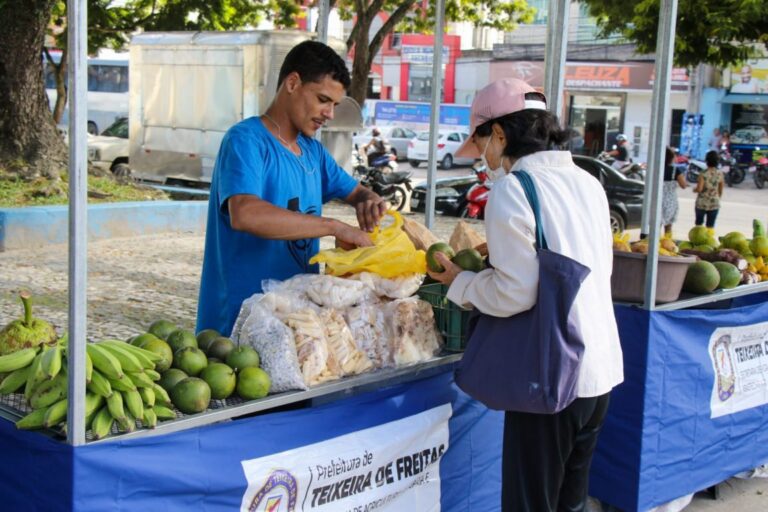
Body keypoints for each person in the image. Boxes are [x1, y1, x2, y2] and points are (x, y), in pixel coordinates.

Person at [427, 78, 623, 512]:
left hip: (551, 375)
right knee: (569, 501)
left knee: (530, 503)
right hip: (598, 370)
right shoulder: (587, 181)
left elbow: (515, 293)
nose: (482, 158)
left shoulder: (513, 189)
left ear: (499, 134)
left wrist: (460, 281)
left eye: (481, 144)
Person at [196, 41, 387, 337]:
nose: (329, 114)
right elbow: (245, 213)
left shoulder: (313, 152)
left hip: (296, 324)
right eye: (323, 99)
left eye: (335, 105)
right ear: (293, 83)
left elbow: (356, 191)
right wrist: (334, 227)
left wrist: (369, 200)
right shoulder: (245, 140)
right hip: (240, 323)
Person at [694, 150, 725, 232]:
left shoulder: (703, 173)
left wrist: (694, 190)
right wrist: (718, 197)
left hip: (702, 203)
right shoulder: (720, 173)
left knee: (699, 225)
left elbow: (699, 189)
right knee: (710, 226)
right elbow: (721, 189)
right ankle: (709, 241)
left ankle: (697, 242)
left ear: (707, 161)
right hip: (714, 203)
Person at [661, 146, 687, 236]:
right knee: (668, 227)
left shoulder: (656, 169)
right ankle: (666, 243)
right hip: (670, 201)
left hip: (657, 200)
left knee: (656, 225)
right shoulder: (675, 170)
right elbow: (683, 185)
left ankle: (654, 243)